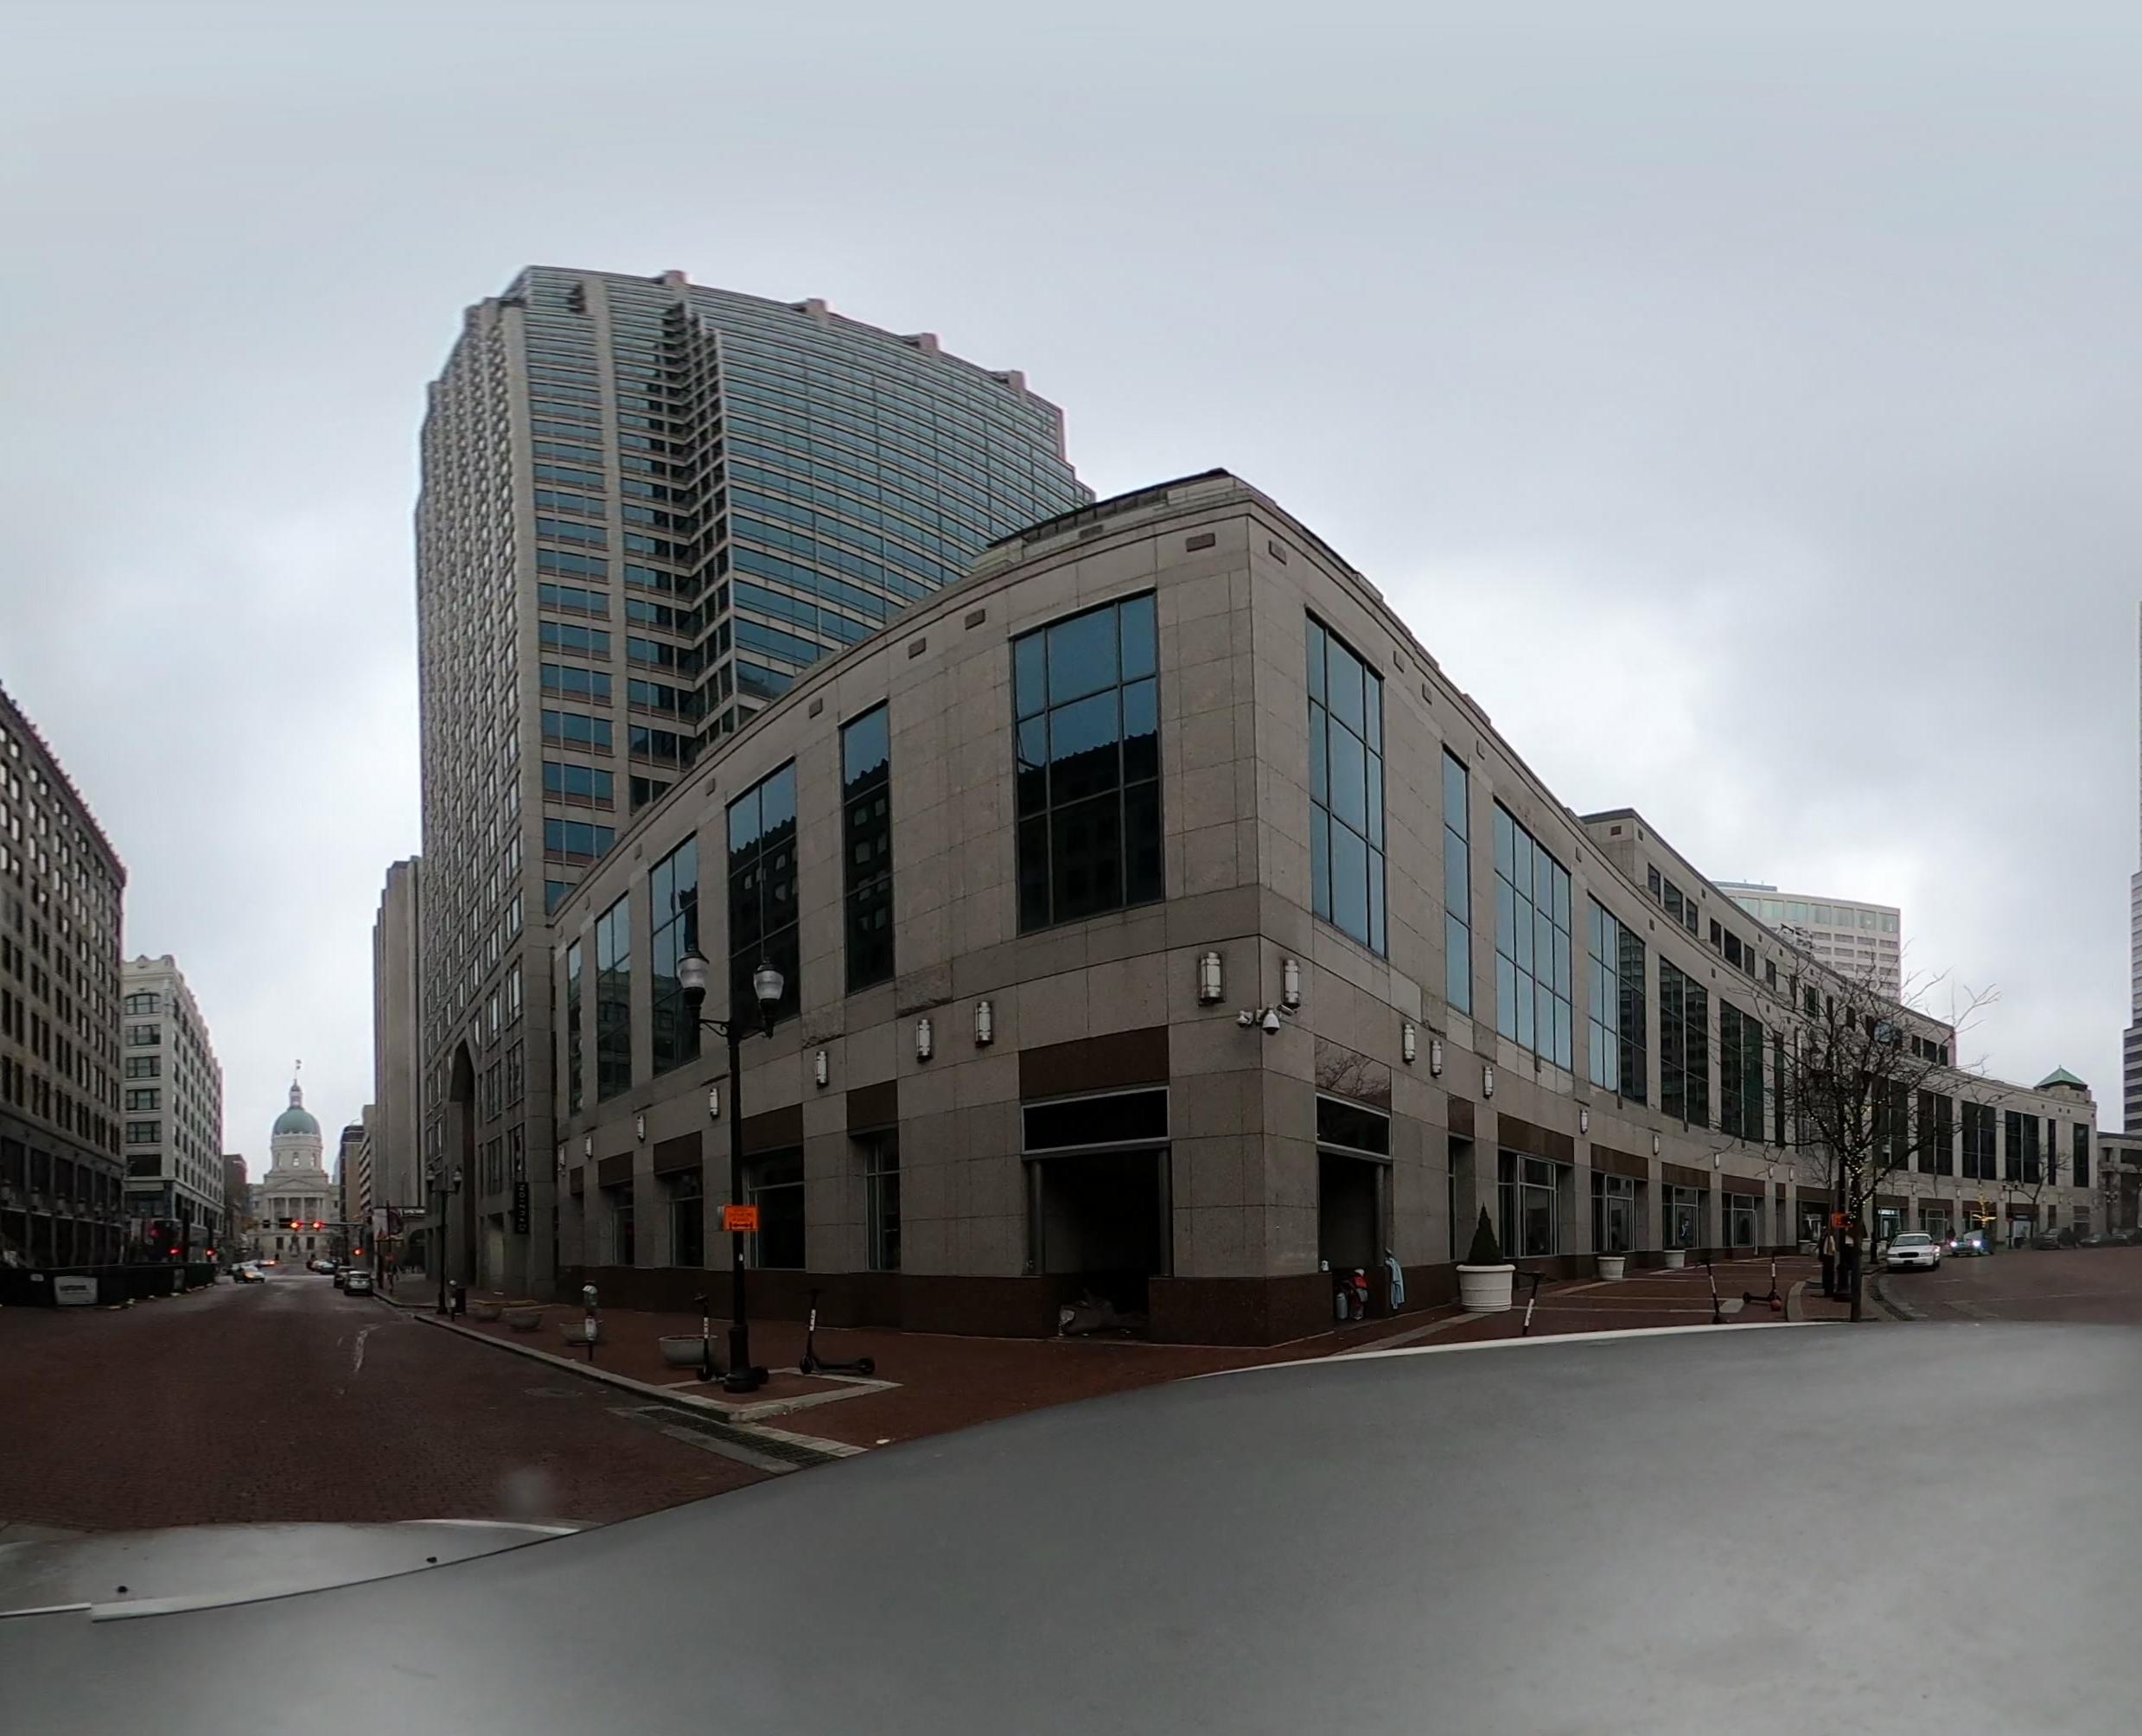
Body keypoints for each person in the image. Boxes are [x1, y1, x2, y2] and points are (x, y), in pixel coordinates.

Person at [1819, 1223, 1838, 1298]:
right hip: (1827, 1257)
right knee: (1827, 1275)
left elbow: (1833, 1249)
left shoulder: (1829, 1238)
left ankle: (1829, 1292)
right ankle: (1827, 1291)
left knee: (1828, 1275)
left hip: (1829, 1257)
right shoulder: (1826, 1237)